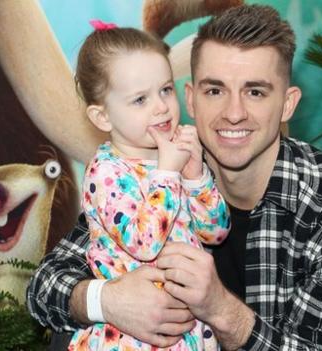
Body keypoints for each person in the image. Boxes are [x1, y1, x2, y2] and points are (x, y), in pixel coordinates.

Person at [27, 5, 322, 350]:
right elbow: (43, 287)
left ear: (287, 104)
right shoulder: (152, 164)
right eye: (215, 90)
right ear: (192, 100)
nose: (233, 113)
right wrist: (108, 300)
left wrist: (220, 310)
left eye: (255, 92)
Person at [64, 22, 230, 351]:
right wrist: (168, 172)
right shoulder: (106, 174)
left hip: (186, 331)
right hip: (131, 340)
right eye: (140, 99)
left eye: (165, 90)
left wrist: (197, 178)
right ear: (102, 117)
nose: (161, 106)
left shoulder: (174, 154)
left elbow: (216, 232)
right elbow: (144, 244)